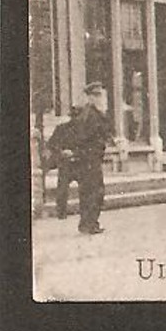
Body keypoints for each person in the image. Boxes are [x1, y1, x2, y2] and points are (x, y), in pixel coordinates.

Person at [63, 84, 116, 235]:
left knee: (89, 191)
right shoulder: (90, 115)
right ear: (91, 97)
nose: (102, 99)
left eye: (101, 95)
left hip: (89, 158)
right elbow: (86, 137)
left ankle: (88, 223)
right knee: (94, 192)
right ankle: (90, 224)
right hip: (89, 159)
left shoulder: (92, 113)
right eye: (98, 95)